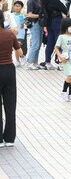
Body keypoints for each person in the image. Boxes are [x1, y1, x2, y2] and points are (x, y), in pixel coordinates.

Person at [0, 10, 23, 147]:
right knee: (10, 105)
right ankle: (9, 138)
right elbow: (20, 52)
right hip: (9, 69)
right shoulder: (9, 34)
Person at [41, 0, 68, 70]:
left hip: (48, 22)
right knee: (60, 41)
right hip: (56, 20)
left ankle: (47, 62)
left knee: (50, 42)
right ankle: (61, 63)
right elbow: (64, 8)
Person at [25, 0, 42, 70]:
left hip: (40, 23)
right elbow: (29, 14)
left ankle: (35, 62)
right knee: (35, 44)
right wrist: (39, 16)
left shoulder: (39, 0)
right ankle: (29, 62)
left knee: (38, 44)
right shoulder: (30, 1)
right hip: (34, 24)